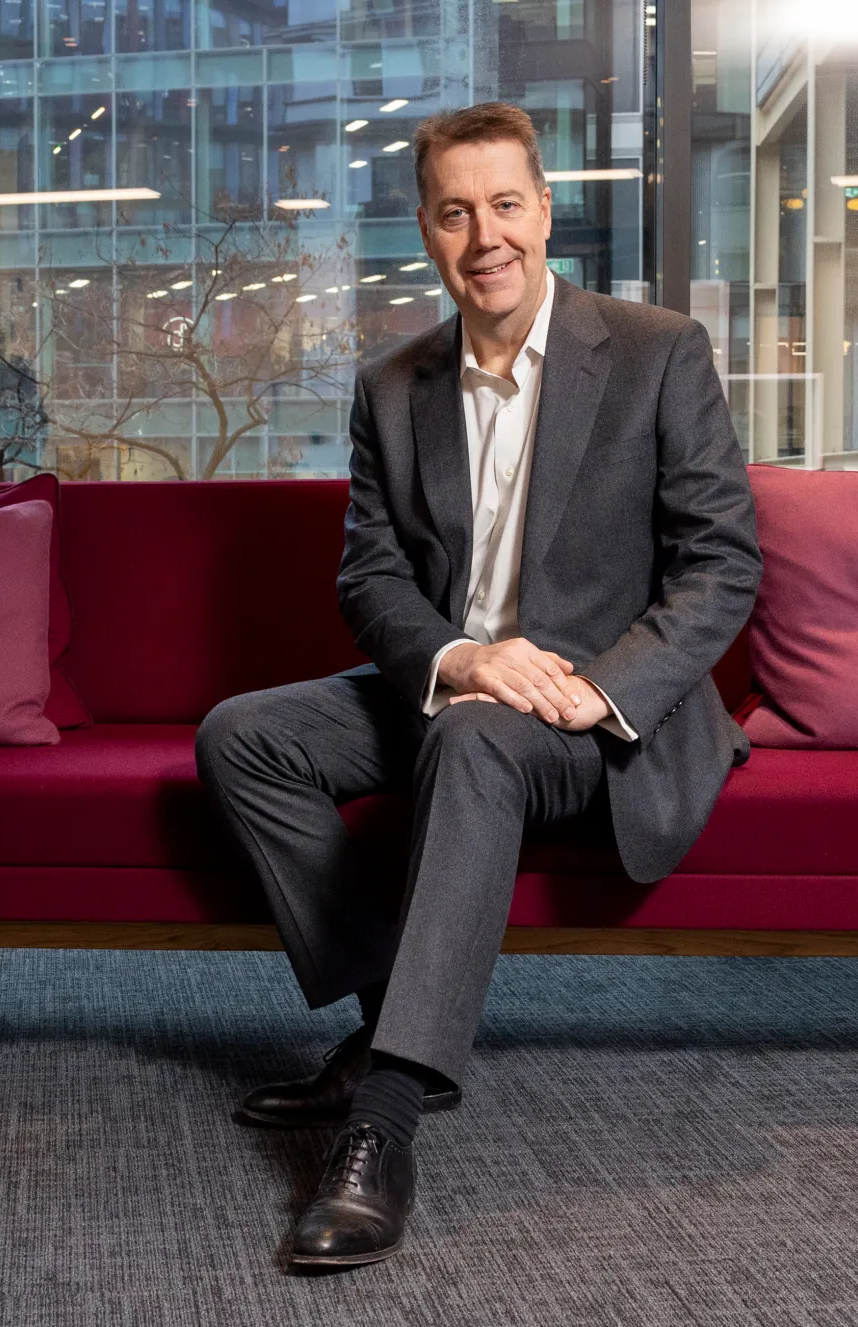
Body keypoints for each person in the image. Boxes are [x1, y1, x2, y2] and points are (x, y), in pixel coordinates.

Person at [196, 101, 760, 1269]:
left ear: (544, 212)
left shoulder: (656, 351)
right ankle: (380, 1022)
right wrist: (459, 659)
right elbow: (370, 574)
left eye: (505, 204)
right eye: (455, 212)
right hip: (464, 687)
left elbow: (721, 565)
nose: (484, 234)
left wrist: (591, 689)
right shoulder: (392, 382)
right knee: (243, 736)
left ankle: (384, 1121)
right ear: (426, 231)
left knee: (476, 743)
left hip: (592, 712)